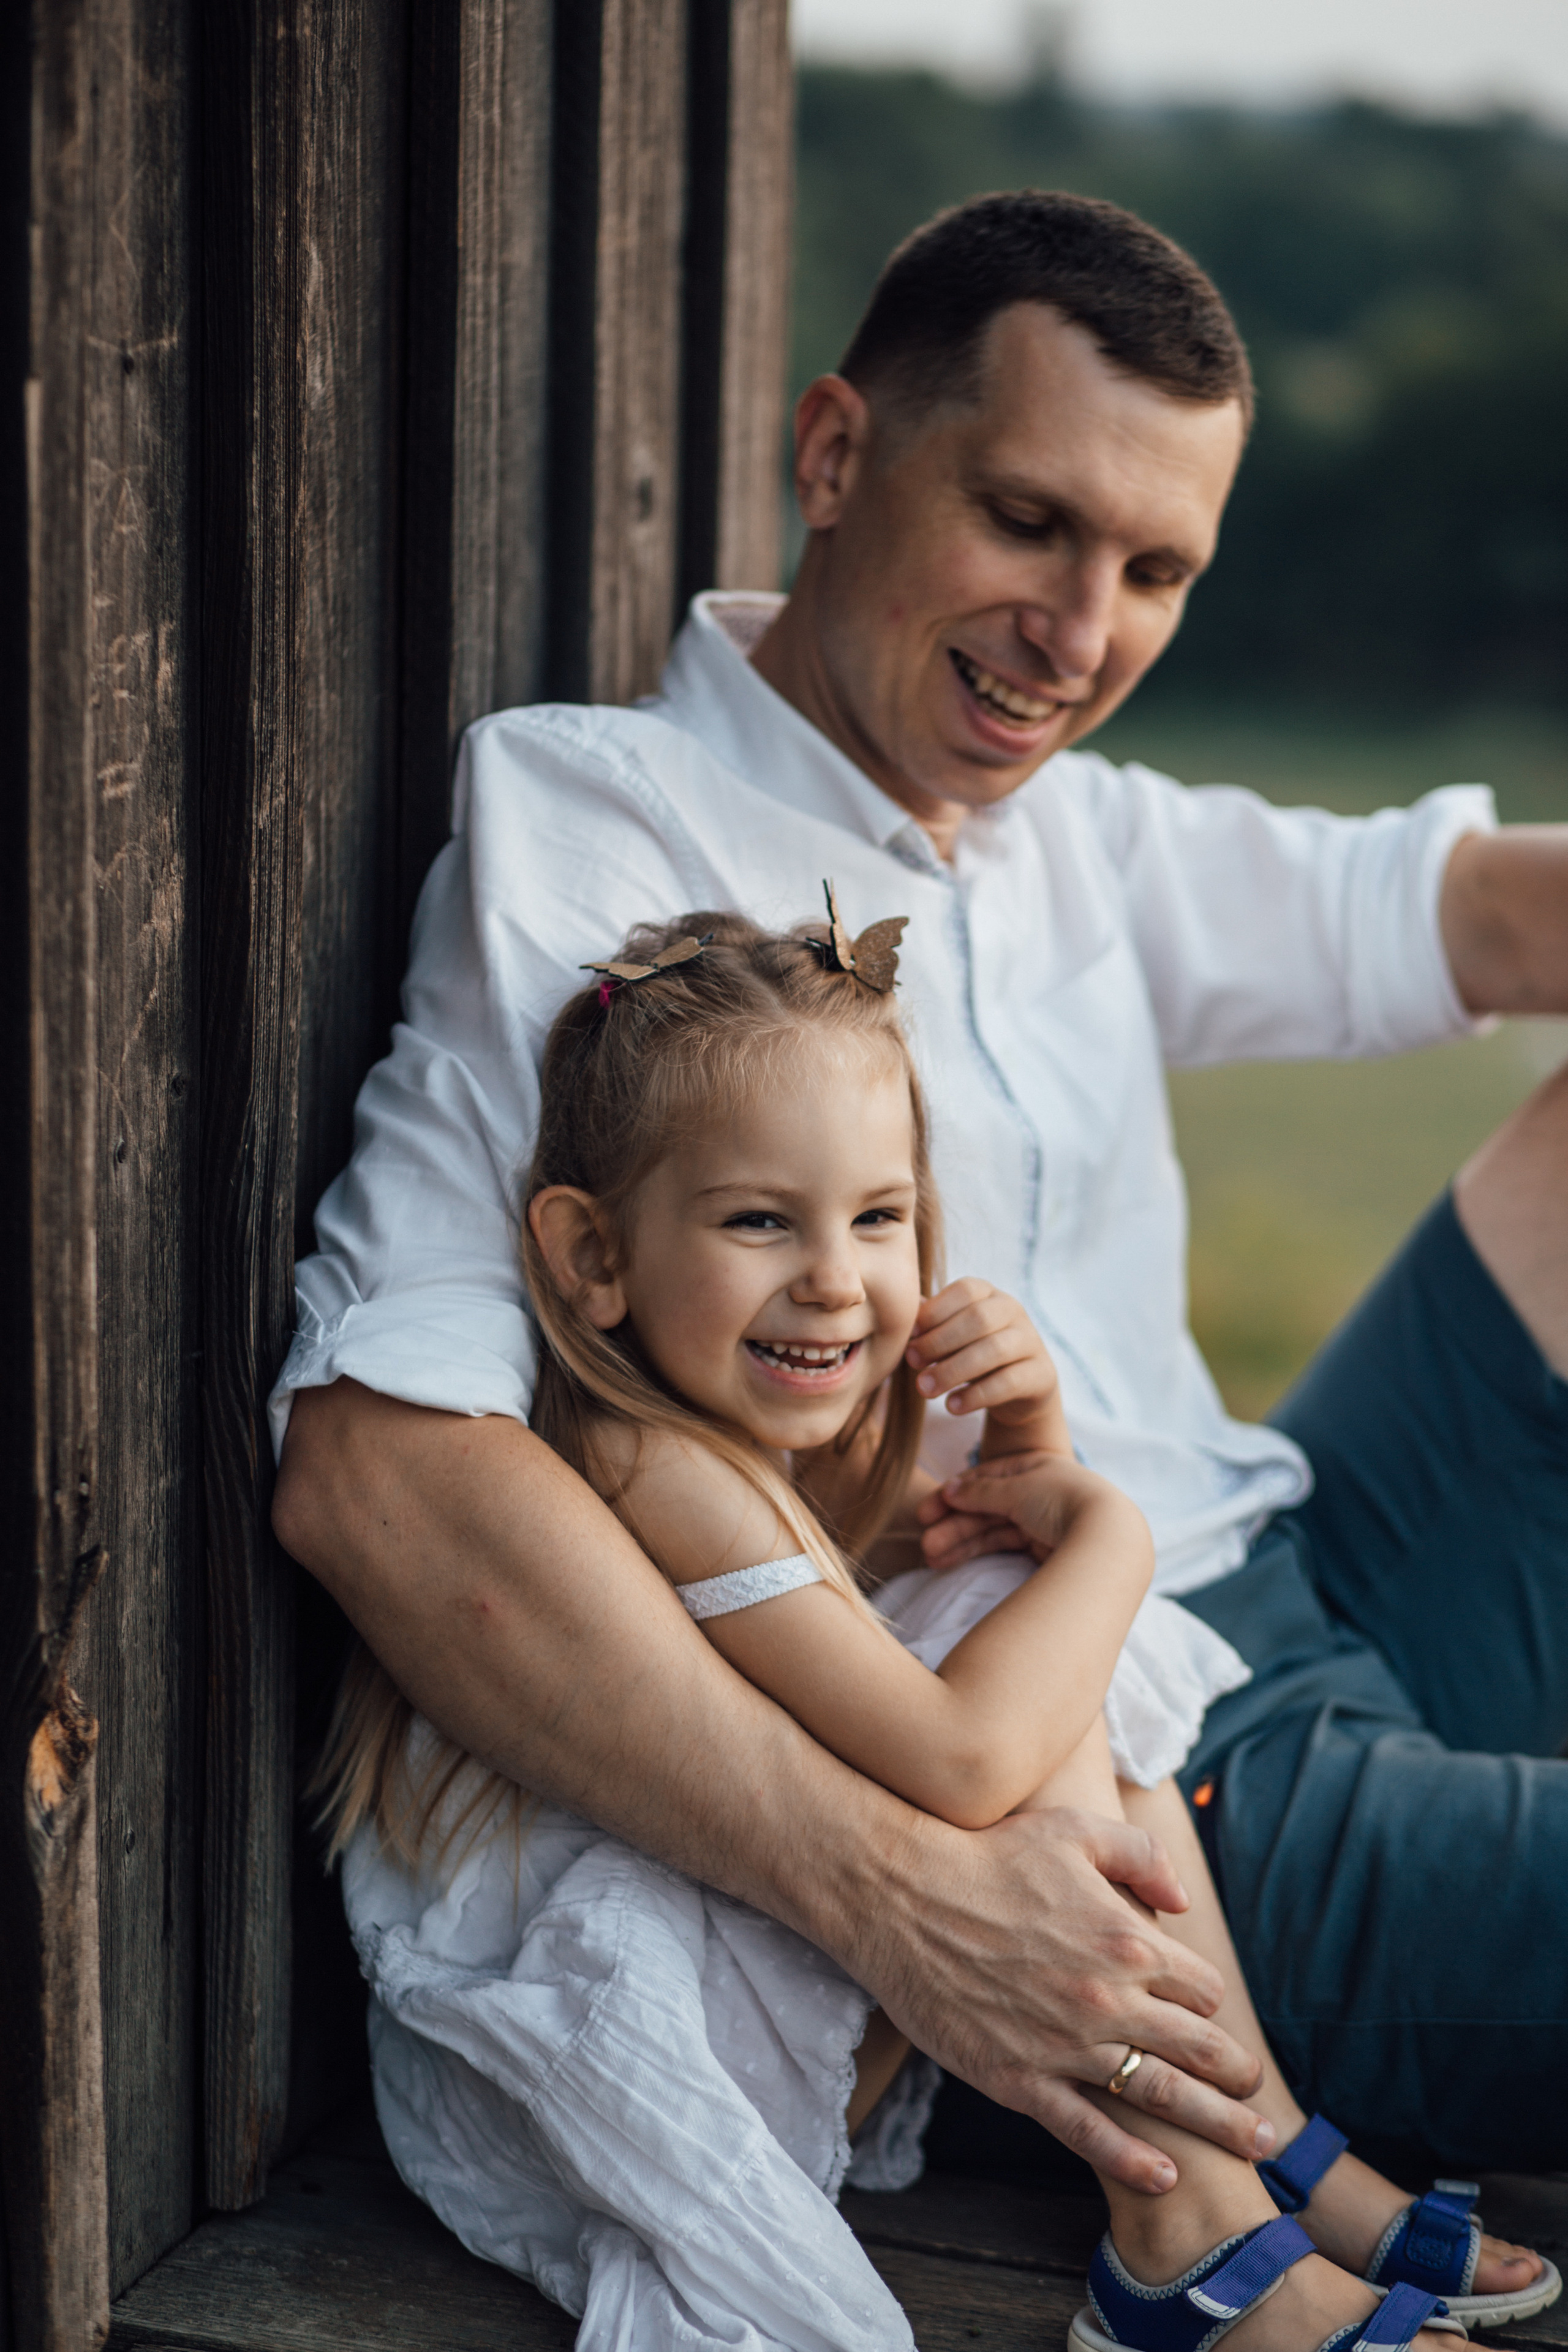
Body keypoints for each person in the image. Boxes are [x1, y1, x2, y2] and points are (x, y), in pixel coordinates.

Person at [271, 189, 1568, 2187]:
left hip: (1288, 1543)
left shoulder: (1066, 833)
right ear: (835, 452)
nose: (1085, 634)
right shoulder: (606, 830)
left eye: (1157, 569)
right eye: (1032, 524)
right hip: (1142, 1764)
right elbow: (375, 1464)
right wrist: (906, 1903)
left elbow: (1466, 911)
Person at [318, 908, 1547, 2351]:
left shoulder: (727, 1447)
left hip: (755, 1971)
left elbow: (958, 1587)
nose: (836, 1277)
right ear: (591, 1255)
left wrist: (1029, 1439)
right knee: (1037, 1631)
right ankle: (1191, 2226)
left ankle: (1249, 2147)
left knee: (1034, 1624)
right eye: (757, 1220)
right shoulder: (659, 1469)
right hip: (622, 2049)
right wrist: (1107, 1526)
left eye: (878, 1217)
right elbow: (964, 1761)